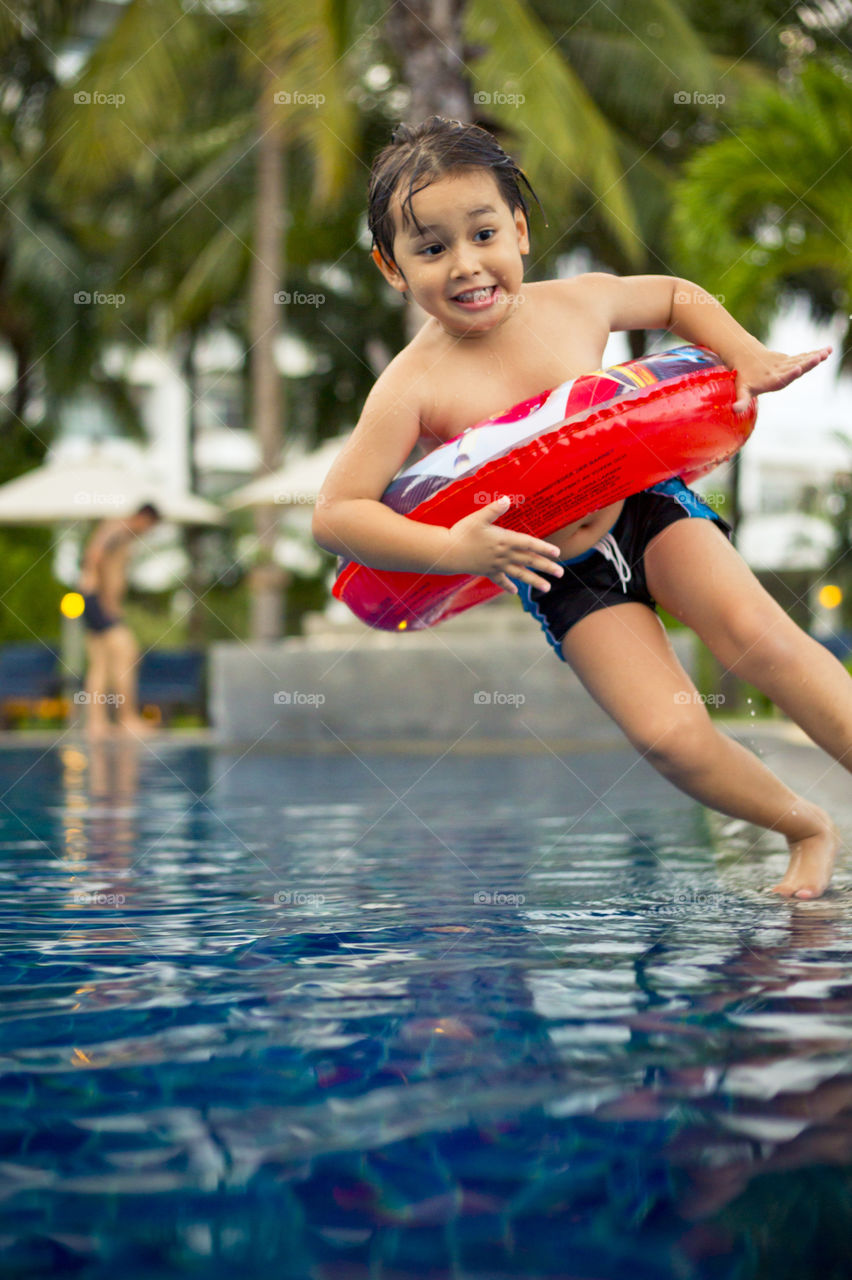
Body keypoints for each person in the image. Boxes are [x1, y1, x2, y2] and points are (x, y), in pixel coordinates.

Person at [312, 116, 850, 901]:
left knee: (759, 641)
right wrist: (457, 553)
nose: (466, 265)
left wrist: (746, 353)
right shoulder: (411, 383)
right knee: (669, 737)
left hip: (643, 504)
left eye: (483, 233)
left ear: (520, 231)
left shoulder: (574, 304)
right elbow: (336, 513)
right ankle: (805, 825)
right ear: (392, 269)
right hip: (554, 567)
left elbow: (672, 295)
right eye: (431, 250)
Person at [78, 502, 161, 738]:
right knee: (128, 652)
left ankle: (96, 723)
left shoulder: (118, 530)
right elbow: (94, 556)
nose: (148, 531)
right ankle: (127, 718)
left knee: (100, 663)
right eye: (150, 526)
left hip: (90, 598)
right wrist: (106, 600)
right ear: (144, 517)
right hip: (97, 600)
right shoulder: (118, 528)